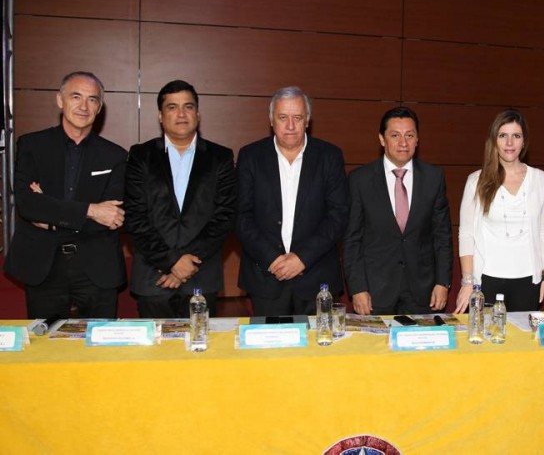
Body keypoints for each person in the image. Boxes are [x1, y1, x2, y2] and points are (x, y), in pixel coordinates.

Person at [4, 71, 127, 319]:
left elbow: (113, 216)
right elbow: (28, 206)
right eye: (76, 97)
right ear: (60, 100)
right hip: (43, 264)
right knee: (45, 349)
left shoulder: (115, 155)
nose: (84, 106)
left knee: (101, 348)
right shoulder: (31, 145)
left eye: (92, 99)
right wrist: (91, 210)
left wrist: (52, 212)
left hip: (96, 265)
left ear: (99, 107)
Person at [124, 80, 237, 317]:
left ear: (198, 113)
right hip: (153, 279)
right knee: (154, 353)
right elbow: (135, 216)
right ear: (160, 115)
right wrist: (171, 262)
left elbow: (225, 216)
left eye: (188, 106)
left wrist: (186, 265)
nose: (181, 114)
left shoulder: (221, 157)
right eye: (172, 107)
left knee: (200, 351)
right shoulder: (140, 156)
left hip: (202, 278)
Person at [237, 86, 349, 316]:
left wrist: (302, 258)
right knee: (269, 350)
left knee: (319, 350)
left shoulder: (330, 156)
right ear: (271, 120)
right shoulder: (250, 156)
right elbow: (240, 216)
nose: (290, 125)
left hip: (317, 279)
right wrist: (272, 259)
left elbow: (338, 216)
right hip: (266, 278)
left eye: (297, 118)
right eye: (282, 117)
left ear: (307, 120)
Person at [343, 106, 453, 315]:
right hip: (375, 292)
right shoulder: (360, 180)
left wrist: (443, 282)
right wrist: (357, 288)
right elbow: (352, 240)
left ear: (417, 139)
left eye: (409, 135)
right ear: (382, 139)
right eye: (395, 135)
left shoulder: (434, 177)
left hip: (423, 291)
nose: (403, 143)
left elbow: (442, 236)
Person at [455, 109, 544, 313]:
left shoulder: (539, 179)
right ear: (494, 140)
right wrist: (467, 281)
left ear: (524, 141)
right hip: (486, 280)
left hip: (529, 279)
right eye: (503, 136)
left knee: (522, 341)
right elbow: (466, 234)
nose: (509, 143)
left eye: (516, 136)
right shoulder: (476, 180)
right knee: (487, 342)